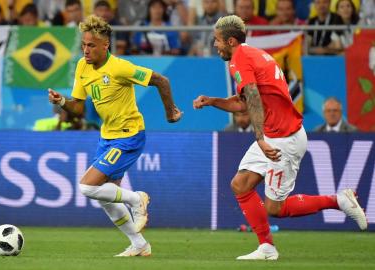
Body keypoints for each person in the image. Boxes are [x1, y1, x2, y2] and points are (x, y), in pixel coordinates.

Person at [193, 15, 367, 260]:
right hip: (277, 134)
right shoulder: (253, 54)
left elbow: (252, 97)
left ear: (231, 41)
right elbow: (243, 104)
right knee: (240, 185)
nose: (215, 45)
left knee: (276, 208)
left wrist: (260, 138)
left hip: (283, 138)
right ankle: (266, 247)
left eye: (217, 41)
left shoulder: (239, 60)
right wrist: (212, 101)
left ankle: (339, 200)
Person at [48, 15, 182, 257]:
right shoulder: (82, 66)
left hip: (129, 135)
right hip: (106, 137)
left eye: (91, 45)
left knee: (86, 187)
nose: (86, 50)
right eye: (84, 45)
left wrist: (170, 112)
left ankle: (137, 198)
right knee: (106, 197)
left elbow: (162, 80)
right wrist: (62, 102)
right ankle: (139, 244)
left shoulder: (120, 67)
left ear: (105, 45)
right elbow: (78, 108)